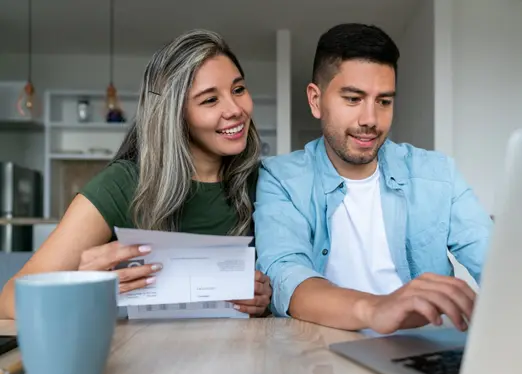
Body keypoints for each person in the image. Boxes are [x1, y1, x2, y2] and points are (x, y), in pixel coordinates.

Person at [0, 29, 272, 319]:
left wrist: (267, 299)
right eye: (209, 100)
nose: (235, 109)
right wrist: (81, 289)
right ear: (173, 115)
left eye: (238, 89)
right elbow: (8, 302)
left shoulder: (266, 183)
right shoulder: (121, 185)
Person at [253, 23, 493, 334]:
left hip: (425, 347)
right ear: (315, 100)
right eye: (353, 99)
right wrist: (377, 308)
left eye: (384, 101)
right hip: (324, 352)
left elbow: (496, 262)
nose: (370, 120)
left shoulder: (436, 174)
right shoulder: (280, 178)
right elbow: (287, 276)